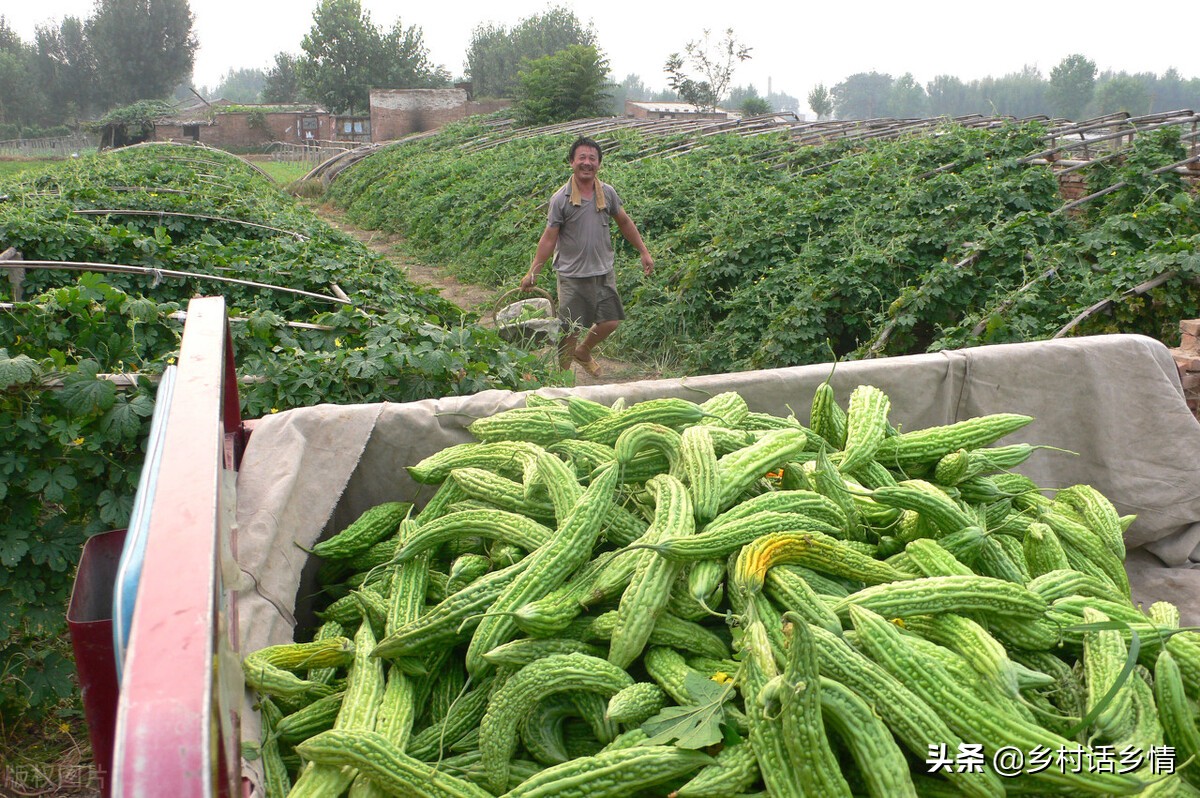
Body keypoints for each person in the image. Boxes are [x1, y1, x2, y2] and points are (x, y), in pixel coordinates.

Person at [519, 136, 654, 377]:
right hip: (572, 276)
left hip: (603, 272)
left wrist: (643, 251)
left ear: (599, 164)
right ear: (571, 161)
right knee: (569, 330)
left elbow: (624, 222)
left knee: (610, 321)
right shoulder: (561, 199)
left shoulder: (608, 194)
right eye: (581, 157)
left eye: (592, 158)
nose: (587, 162)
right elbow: (549, 238)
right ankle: (562, 378)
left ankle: (583, 352)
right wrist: (533, 272)